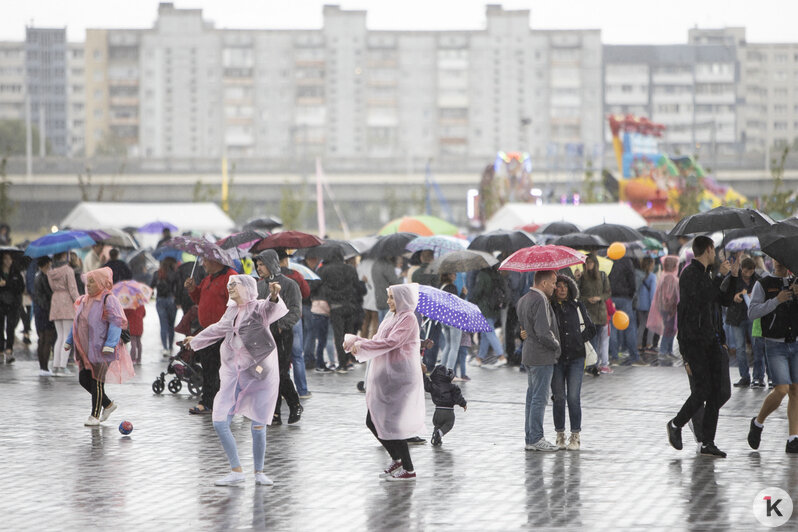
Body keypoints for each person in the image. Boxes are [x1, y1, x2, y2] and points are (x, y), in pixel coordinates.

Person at [184, 275, 287, 486]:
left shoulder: (258, 308)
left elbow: (271, 308)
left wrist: (274, 295)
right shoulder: (231, 311)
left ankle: (259, 472)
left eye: (234, 284)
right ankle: (236, 470)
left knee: (258, 425)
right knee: (220, 421)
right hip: (234, 374)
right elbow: (218, 329)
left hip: (259, 374)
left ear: (247, 288)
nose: (230, 287)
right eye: (228, 284)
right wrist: (196, 340)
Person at [343, 283, 425, 481]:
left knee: (391, 422)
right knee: (374, 420)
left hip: (400, 377)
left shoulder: (408, 318)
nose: (388, 301)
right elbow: (379, 339)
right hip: (388, 376)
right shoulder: (392, 317)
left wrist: (362, 344)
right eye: (388, 296)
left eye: (391, 297)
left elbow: (391, 342)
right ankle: (397, 459)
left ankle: (409, 468)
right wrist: (358, 341)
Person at [667, 236, 732, 458]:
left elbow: (721, 300)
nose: (716, 255)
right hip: (693, 341)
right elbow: (703, 297)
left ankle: (707, 442)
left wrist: (729, 276)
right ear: (708, 249)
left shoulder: (707, 275)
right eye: (714, 251)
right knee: (702, 389)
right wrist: (720, 275)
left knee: (717, 392)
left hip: (711, 340)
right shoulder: (690, 274)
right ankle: (676, 424)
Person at [63, 267, 134, 426]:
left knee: (97, 380)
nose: (88, 285)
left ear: (102, 282)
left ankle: (94, 416)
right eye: (87, 282)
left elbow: (116, 322)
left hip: (103, 349)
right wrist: (69, 340)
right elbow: (77, 322)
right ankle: (108, 405)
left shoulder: (108, 299)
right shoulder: (84, 300)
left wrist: (110, 344)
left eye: (92, 282)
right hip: (86, 350)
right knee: (83, 379)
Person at [746, 259, 798, 454]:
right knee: (782, 389)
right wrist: (777, 300)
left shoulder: (796, 281)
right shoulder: (763, 284)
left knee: (795, 390)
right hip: (774, 344)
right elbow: (752, 312)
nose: (779, 262)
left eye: (783, 259)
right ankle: (758, 423)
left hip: (795, 342)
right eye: (775, 259)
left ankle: (793, 438)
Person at [254, 250, 303, 425]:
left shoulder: (289, 284)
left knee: (280, 373)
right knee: (267, 373)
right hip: (263, 336)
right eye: (257, 265)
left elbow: (296, 310)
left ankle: (294, 402)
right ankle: (274, 412)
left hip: (282, 335)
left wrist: (282, 326)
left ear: (271, 263)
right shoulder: (259, 286)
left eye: (262, 264)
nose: (259, 268)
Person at [550, 275, 595, 451]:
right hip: (557, 358)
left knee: (573, 398)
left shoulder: (577, 306)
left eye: (564, 286)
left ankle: (575, 435)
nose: (561, 289)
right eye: (558, 286)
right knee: (558, 398)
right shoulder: (550, 307)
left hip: (576, 357)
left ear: (570, 289)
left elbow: (591, 329)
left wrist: (578, 339)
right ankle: (560, 434)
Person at [185, 258, 235, 415]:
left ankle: (221, 402)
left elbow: (235, 304)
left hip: (223, 333)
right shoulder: (208, 279)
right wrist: (193, 289)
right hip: (207, 332)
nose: (203, 264)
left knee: (220, 370)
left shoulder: (231, 278)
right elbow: (200, 299)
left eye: (205, 261)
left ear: (216, 261)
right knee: (208, 369)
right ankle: (208, 402)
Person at [517, 270, 560, 452]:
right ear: (543, 283)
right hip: (541, 355)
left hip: (529, 353)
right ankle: (536, 437)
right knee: (539, 398)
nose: (555, 287)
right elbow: (543, 331)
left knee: (532, 397)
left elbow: (524, 328)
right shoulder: (540, 300)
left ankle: (530, 437)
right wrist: (556, 344)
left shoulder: (523, 299)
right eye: (553, 283)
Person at [318, 248, 365, 373]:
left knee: (339, 336)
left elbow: (320, 286)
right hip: (350, 305)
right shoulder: (350, 269)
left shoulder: (325, 270)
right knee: (349, 334)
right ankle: (348, 360)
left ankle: (342, 363)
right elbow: (357, 286)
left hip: (335, 306)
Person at [721, 255, 760, 387]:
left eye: (751, 271)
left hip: (753, 317)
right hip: (737, 317)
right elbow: (724, 293)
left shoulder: (757, 280)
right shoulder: (733, 277)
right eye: (745, 272)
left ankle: (758, 376)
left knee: (757, 347)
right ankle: (744, 376)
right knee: (740, 348)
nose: (748, 275)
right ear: (741, 269)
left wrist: (752, 296)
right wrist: (735, 296)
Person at [278, 250, 311, 398]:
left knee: (279, 356)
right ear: (285, 260)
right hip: (294, 318)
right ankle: (302, 390)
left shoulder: (269, 278)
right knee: (297, 356)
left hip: (276, 319)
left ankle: (281, 389)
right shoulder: (295, 275)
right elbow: (306, 292)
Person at [47, 251, 80, 375]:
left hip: (55, 301)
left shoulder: (51, 271)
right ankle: (62, 366)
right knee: (67, 336)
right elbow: (72, 289)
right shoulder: (68, 270)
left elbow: (51, 287)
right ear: (63, 256)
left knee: (59, 336)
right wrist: (79, 302)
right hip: (66, 302)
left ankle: (56, 365)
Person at [578, 254, 611, 373]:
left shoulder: (602, 275)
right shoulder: (581, 277)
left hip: (600, 312)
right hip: (588, 313)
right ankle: (592, 364)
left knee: (600, 340)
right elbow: (577, 295)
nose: (589, 265)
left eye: (591, 263)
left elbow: (608, 292)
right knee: (591, 340)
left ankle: (597, 364)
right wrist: (587, 299)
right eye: (587, 263)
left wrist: (599, 298)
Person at [470, 265, 509, 367]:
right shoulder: (497, 274)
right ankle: (479, 358)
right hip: (495, 307)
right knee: (484, 335)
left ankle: (501, 356)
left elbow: (478, 292)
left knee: (489, 332)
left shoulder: (483, 275)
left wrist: (471, 301)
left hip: (485, 308)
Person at [422, 364, 467, 446]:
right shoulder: (452, 387)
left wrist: (422, 374)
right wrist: (463, 404)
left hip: (437, 411)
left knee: (437, 425)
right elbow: (458, 397)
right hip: (448, 412)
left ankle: (436, 438)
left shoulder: (432, 385)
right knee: (449, 424)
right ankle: (438, 434)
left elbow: (425, 383)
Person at [608, 252, 641, 365]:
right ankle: (634, 356)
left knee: (612, 327)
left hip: (611, 297)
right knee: (629, 326)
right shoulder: (627, 261)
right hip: (625, 297)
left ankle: (614, 356)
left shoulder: (608, 261)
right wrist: (631, 294)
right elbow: (632, 281)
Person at [647, 256, 680, 364]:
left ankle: (668, 351)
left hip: (666, 307)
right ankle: (664, 351)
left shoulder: (665, 275)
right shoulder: (670, 277)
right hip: (669, 308)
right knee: (669, 329)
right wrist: (671, 308)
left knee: (671, 329)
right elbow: (668, 295)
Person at [32, 256, 56, 375]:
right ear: (47, 264)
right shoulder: (44, 277)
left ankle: (42, 367)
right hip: (46, 310)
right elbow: (48, 293)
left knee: (41, 339)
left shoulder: (36, 275)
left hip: (38, 310)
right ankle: (45, 367)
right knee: (47, 339)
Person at [151, 258, 180, 357]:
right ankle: (171, 346)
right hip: (171, 300)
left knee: (163, 325)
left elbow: (151, 287)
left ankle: (165, 348)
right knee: (171, 326)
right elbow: (178, 287)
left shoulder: (157, 273)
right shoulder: (174, 274)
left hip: (160, 301)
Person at [0, 251, 24, 363]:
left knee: (10, 327)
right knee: (0, 327)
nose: (8, 261)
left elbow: (20, 288)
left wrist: (7, 284)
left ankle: (9, 349)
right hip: (1, 303)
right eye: (5, 259)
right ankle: (0, 350)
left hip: (13, 304)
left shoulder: (16, 272)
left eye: (9, 259)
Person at [635, 257, 658, 354]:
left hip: (639, 304)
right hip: (649, 305)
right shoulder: (652, 276)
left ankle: (638, 345)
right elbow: (652, 292)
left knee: (641, 325)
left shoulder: (638, 275)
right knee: (651, 326)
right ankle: (649, 345)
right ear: (651, 265)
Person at [372, 255, 401, 323]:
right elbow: (395, 282)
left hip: (379, 298)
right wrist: (401, 278)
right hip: (388, 300)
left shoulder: (375, 264)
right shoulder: (386, 265)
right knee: (388, 325)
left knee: (382, 325)